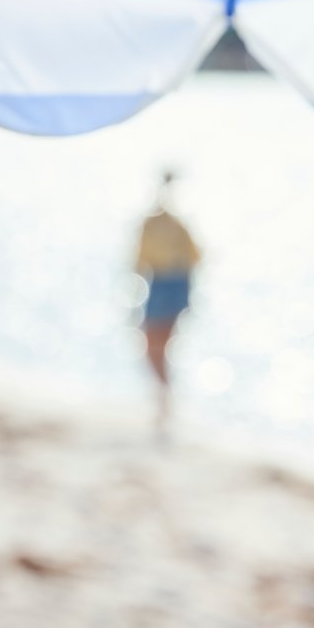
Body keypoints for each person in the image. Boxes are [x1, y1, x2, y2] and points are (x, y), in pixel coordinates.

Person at [131, 170, 201, 432]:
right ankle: (164, 398)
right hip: (165, 282)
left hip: (168, 282)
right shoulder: (162, 223)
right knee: (155, 344)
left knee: (155, 344)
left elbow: (193, 258)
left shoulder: (166, 224)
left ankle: (164, 399)